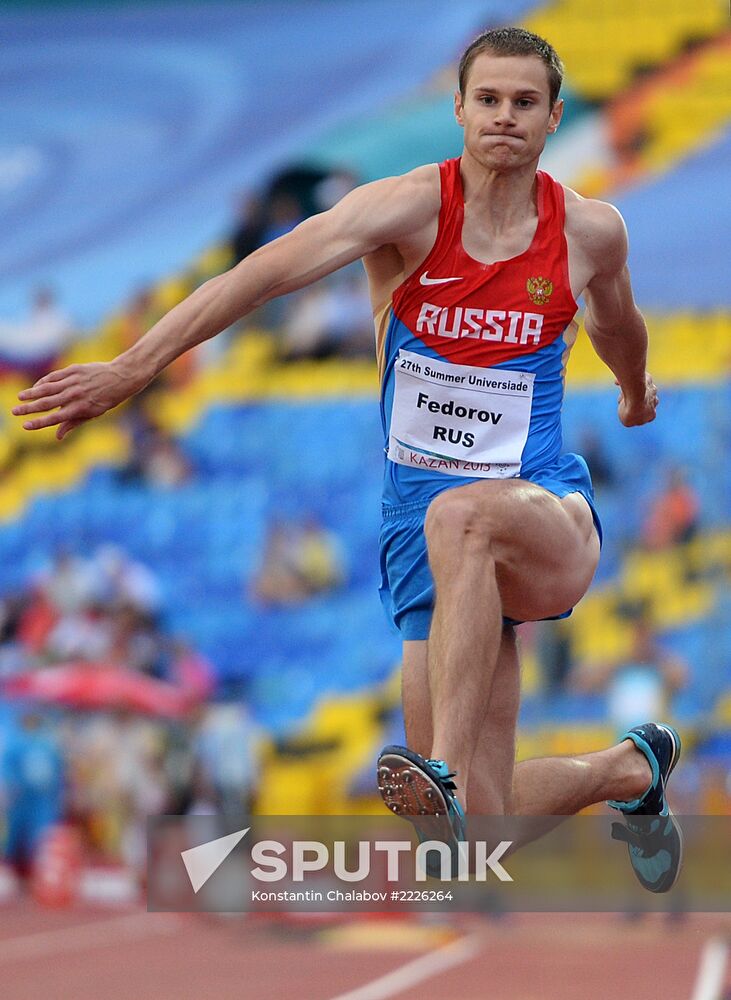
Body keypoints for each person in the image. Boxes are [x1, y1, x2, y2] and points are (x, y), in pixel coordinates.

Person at [12, 27, 682, 892]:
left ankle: (434, 769)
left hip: (540, 509)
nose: (504, 118)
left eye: (524, 103)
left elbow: (618, 323)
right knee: (482, 830)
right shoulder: (405, 209)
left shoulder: (588, 231)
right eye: (487, 100)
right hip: (421, 534)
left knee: (465, 514)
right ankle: (630, 770)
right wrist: (134, 366)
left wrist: (631, 390)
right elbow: (260, 275)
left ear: (553, 117)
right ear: (458, 110)